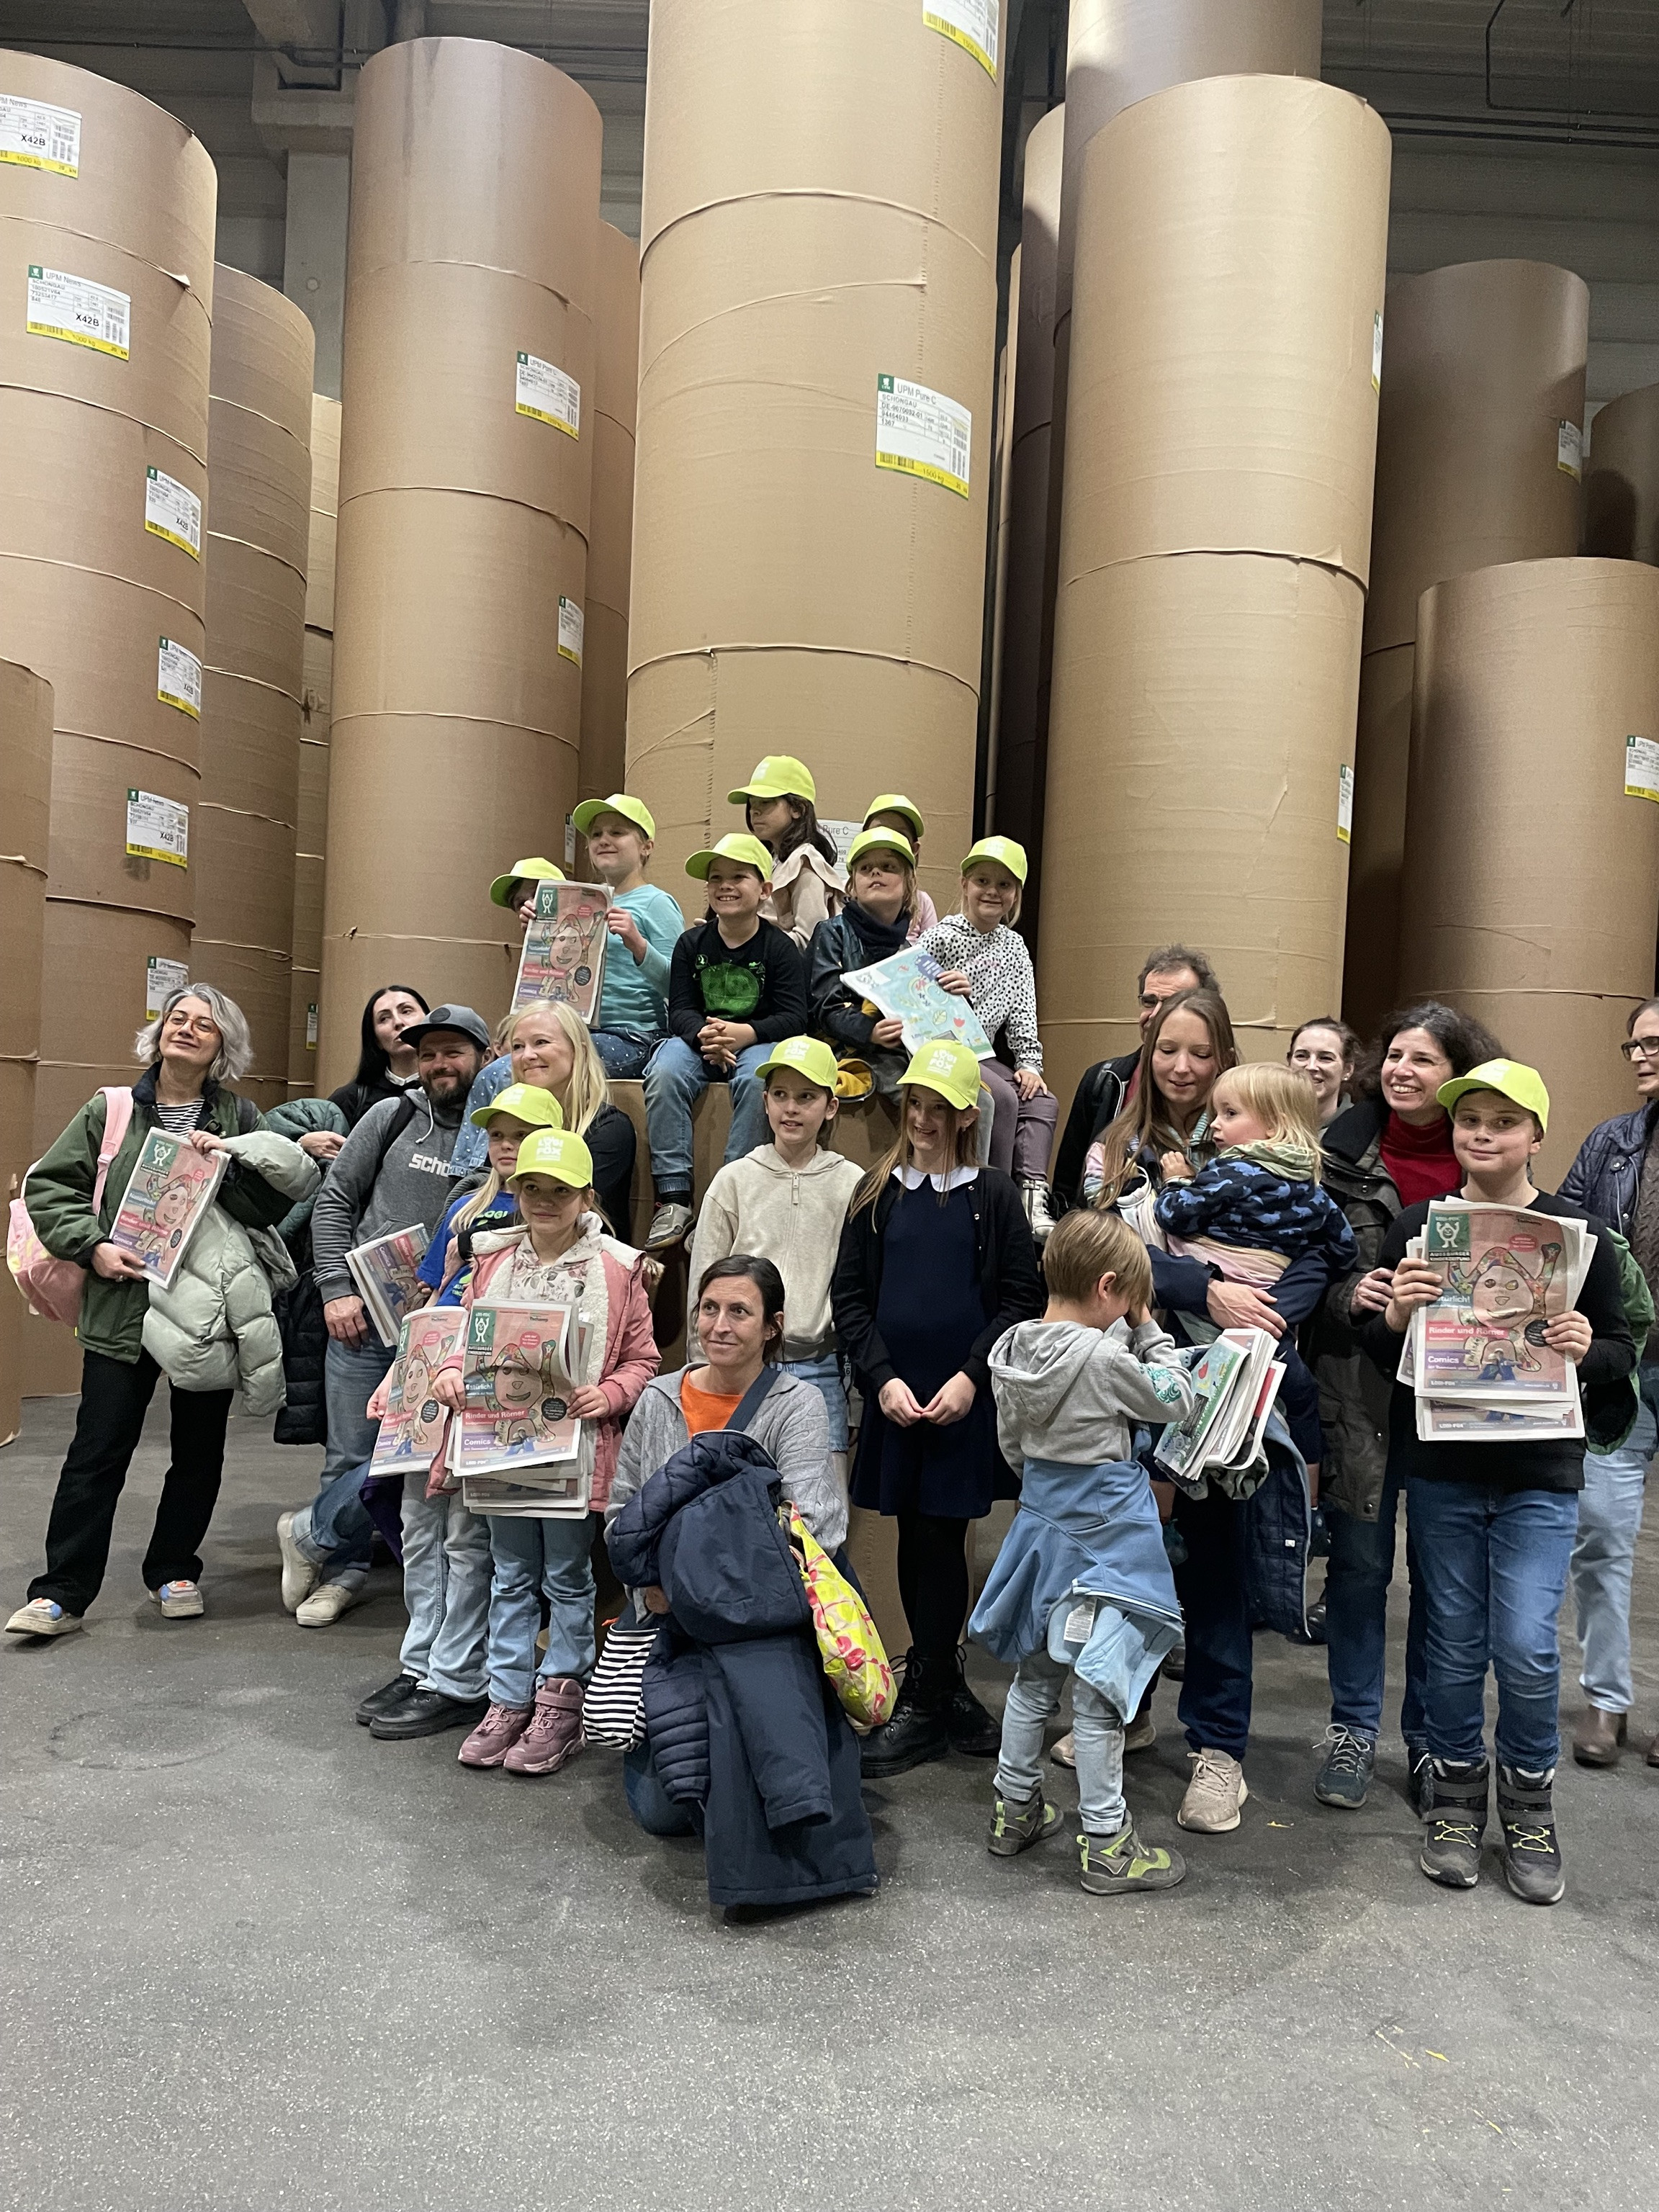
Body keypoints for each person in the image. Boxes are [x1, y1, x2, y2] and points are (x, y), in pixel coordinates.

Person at [1360, 1061, 1635, 1905]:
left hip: (1540, 1475)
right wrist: (1396, 1314)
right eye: (1469, 1120)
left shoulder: (1577, 1235)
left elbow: (1622, 1350)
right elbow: (1381, 1354)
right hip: (1443, 1469)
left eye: (1502, 1122)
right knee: (1449, 1642)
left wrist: (1587, 1347)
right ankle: (1453, 1798)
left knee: (1525, 1643)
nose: (1482, 1134)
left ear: (1536, 1135)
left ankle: (1529, 1803)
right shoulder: (1420, 1227)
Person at [1090, 991, 1327, 1834]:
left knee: (1217, 1567)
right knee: (1130, 1560)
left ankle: (1219, 1748)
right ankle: (1123, 1710)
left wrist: (1263, 1311)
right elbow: (1102, 1253)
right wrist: (1204, 1287)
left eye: (1201, 1052)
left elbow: (1316, 1257)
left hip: (1234, 1395)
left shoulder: (1275, 1149)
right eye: (1167, 1049)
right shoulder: (1121, 1149)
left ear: (1226, 1059)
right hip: (1135, 1378)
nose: (1183, 1067)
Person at [6, 988, 302, 1638]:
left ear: (223, 1046)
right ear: (160, 1031)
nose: (187, 1030)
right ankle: (61, 1592)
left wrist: (231, 1162)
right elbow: (51, 1187)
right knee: (97, 1451)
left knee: (199, 1451)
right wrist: (94, 1246)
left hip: (205, 1312)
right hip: (122, 1304)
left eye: (205, 1026)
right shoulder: (112, 1110)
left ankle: (173, 1570)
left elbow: (268, 1208)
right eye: (178, 1019)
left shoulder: (240, 1115)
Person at [1310, 1001, 1503, 1814]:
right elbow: (1305, 1270)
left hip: (1458, 1399)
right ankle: (1353, 1728)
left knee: (1442, 1577)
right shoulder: (1336, 1152)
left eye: (1423, 1059)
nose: (1402, 1071)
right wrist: (1352, 1292)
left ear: (1457, 1074)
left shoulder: (1487, 1157)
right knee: (1358, 1568)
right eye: (1394, 1056)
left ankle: (1429, 1739)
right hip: (1359, 1387)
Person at [832, 1039, 1044, 1777]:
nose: (922, 1119)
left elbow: (1020, 1298)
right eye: (914, 1105)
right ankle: (936, 1686)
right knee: (912, 1533)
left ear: (966, 1116)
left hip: (960, 1400)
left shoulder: (993, 1195)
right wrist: (883, 1379)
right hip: (896, 1398)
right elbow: (850, 1300)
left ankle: (932, 1688)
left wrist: (970, 1377)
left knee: (944, 1536)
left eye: (938, 1108)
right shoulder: (876, 1194)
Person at [971, 1210, 1194, 1894]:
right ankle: (1106, 1844)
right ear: (1107, 1288)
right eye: (1129, 1298)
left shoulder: (1012, 1349)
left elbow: (1012, 1447)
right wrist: (1149, 1332)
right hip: (1108, 1545)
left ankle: (1014, 1810)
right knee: (1100, 1694)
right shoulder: (1103, 1357)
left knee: (1034, 1681)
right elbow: (1178, 1399)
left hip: (1042, 1531)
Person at [426, 1128, 657, 1776]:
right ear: (516, 1191)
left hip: (571, 1457)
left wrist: (608, 1394)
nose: (545, 1201)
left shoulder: (618, 1268)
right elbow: (462, 1339)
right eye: (532, 1189)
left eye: (560, 1190)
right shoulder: (494, 1261)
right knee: (509, 1574)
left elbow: (642, 1359)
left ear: (586, 1196)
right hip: (498, 1454)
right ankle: (507, 1698)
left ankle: (561, 1698)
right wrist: (451, 1372)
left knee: (566, 1575)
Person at [352, 1084, 576, 1742]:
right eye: (498, 1135)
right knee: (420, 1527)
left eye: (521, 1136)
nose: (506, 1147)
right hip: (433, 1367)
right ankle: (420, 1662)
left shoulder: (555, 1216)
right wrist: (399, 1372)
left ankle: (459, 1673)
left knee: (467, 1536)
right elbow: (432, 1297)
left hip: (490, 1383)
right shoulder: (465, 1205)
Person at [606, 1256, 850, 1832]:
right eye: (710, 1309)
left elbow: (812, 1522)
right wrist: (653, 1589)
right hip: (667, 1613)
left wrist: (696, 1588)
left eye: (739, 1312)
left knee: (768, 1790)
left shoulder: (796, 1403)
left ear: (772, 1327)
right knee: (666, 1813)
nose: (719, 1325)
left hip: (757, 1618)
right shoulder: (658, 1398)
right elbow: (622, 1514)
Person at [279, 1004, 489, 1627]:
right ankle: (341, 1573)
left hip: (440, 1335)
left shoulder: (497, 1134)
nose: (439, 1064)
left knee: (414, 1460)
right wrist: (335, 1290)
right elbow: (334, 1202)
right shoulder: (391, 1115)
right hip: (363, 1322)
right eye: (428, 1054)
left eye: (453, 1051)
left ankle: (316, 1535)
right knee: (349, 1455)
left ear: (483, 1057)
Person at [1152, 1061, 1357, 1470]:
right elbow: (1344, 1249)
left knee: (1174, 1403)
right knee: (1299, 1396)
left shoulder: (1233, 1170)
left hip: (1203, 1311)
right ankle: (1310, 1491)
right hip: (1269, 1311)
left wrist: (1176, 1180)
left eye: (1230, 1114)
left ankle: (1164, 1494)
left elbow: (1173, 1215)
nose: (1214, 1125)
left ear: (1275, 1125)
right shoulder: (1312, 1189)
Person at [687, 1036, 863, 1484]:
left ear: (831, 1107)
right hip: (739, 1366)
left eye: (806, 1097)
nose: (791, 1108)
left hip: (820, 1368)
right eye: (780, 1095)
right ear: (764, 1101)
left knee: (819, 1510)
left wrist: (857, 1397)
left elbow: (863, 1292)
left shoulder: (851, 1184)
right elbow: (703, 1284)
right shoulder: (734, 1180)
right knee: (731, 1501)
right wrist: (702, 1370)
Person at [1557, 994, 1659, 1770]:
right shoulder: (1612, 1143)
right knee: (1600, 1533)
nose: (1641, 1056)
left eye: (1655, 1043)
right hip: (1629, 1370)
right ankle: (1605, 1700)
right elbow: (1563, 1237)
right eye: (1635, 1045)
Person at [642, 832, 809, 1247]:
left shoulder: (781, 948)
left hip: (755, 1041)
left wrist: (746, 1034)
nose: (725, 886)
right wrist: (705, 1034)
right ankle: (674, 1196)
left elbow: (794, 1017)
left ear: (764, 890)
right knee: (664, 1072)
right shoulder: (690, 943)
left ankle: (729, 1194)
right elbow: (680, 1008)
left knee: (757, 1081)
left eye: (738, 877)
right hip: (701, 1040)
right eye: (716, 878)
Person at [922, 836, 1058, 1240]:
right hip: (944, 1049)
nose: (992, 891)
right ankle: (992, 1198)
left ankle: (1030, 1198)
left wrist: (1029, 1063)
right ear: (965, 884)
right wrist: (946, 992)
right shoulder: (942, 936)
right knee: (1000, 1097)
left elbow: (1023, 1010)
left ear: (1016, 894)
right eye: (983, 881)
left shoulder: (1015, 947)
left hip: (983, 1054)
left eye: (1004, 884)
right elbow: (906, 984)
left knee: (1041, 1099)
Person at [1051, 945, 1219, 1213]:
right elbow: (1069, 1189)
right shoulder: (1103, 1080)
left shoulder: (1239, 1106)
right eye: (1149, 1001)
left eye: (1173, 1003)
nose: (1155, 1015)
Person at [451, 1002, 638, 1235]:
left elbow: (566, 1216)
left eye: (541, 1042)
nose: (527, 1055)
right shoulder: (506, 1120)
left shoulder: (609, 1129)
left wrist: (472, 1238)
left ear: (578, 1050)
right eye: (518, 1046)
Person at [568, 793, 685, 1078]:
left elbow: (680, 987)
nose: (604, 840)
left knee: (556, 1065)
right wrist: (538, 933)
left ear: (646, 847)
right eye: (596, 834)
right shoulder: (578, 903)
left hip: (634, 1035)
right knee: (497, 1071)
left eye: (617, 832)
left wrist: (639, 945)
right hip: (575, 1030)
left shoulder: (656, 903)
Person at [808, 824, 921, 1094]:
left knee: (976, 1095)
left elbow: (925, 1017)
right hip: (841, 1049)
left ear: (908, 884)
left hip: (899, 1052)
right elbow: (824, 1007)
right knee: (918, 1092)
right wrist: (869, 1031)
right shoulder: (832, 933)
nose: (876, 872)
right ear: (853, 887)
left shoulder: (909, 951)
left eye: (888, 866)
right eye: (865, 868)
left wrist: (954, 996)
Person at [728, 754, 845, 948]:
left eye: (766, 802)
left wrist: (745, 944)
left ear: (798, 809)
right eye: (752, 803)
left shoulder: (805, 863)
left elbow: (810, 941)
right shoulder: (772, 860)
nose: (754, 811)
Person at [329, 985, 431, 1130]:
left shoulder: (449, 1089)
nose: (398, 1022)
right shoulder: (350, 1099)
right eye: (384, 1019)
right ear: (376, 1040)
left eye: (406, 1011)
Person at [861, 793, 940, 941]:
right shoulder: (845, 896)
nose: (890, 840)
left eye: (900, 835)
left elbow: (932, 952)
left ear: (914, 850)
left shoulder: (922, 903)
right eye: (880, 832)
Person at [1287, 1016, 1359, 1128]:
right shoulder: (1266, 1121)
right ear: (1289, 1062)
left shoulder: (1361, 1129)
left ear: (1348, 1070)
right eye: (1301, 1056)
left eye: (1325, 1058)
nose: (1311, 1067)